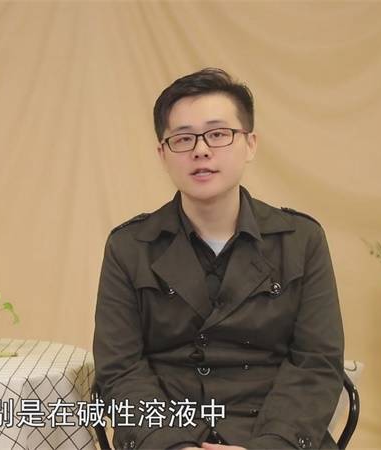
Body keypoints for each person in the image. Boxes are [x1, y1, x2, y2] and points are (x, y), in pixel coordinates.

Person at [92, 68, 345, 450]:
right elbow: (120, 370)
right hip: (168, 436)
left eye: (218, 134)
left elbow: (317, 363)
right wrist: (173, 445)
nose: (201, 150)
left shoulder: (300, 240)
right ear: (162, 154)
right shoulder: (129, 246)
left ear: (250, 144)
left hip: (272, 436)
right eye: (183, 138)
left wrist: (268, 445)